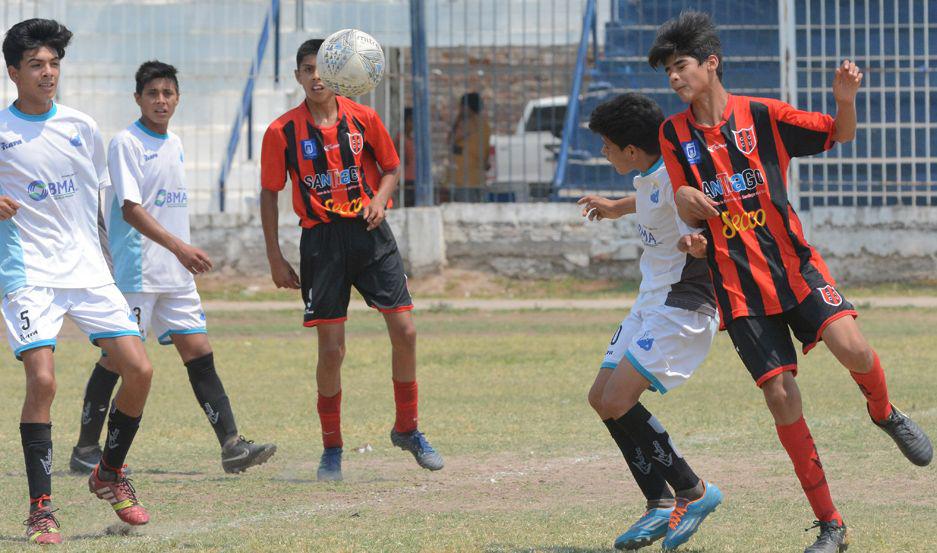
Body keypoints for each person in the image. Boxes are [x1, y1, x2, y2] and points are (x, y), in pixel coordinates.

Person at [650, 11, 933, 553]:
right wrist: (687, 213)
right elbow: (687, 206)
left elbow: (839, 133)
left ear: (711, 63)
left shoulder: (763, 115)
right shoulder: (673, 134)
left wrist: (844, 97)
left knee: (852, 346)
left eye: (680, 66)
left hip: (795, 269)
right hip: (736, 287)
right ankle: (831, 524)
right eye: (667, 71)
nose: (674, 78)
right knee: (781, 395)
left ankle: (884, 412)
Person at [68, 60, 276, 476]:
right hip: (137, 273)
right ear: (138, 98)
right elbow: (130, 210)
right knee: (116, 361)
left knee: (200, 355)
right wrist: (180, 247)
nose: (161, 100)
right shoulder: (126, 143)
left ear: (178, 98)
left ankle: (232, 446)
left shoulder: (175, 142)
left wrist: (179, 255)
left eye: (168, 93)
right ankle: (86, 449)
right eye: (152, 94)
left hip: (176, 275)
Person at [259, 38, 444, 481]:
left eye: (322, 68)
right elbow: (269, 193)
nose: (316, 77)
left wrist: (380, 198)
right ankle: (332, 449)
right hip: (320, 244)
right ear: (298, 76)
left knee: (405, 329)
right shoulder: (280, 131)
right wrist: (274, 256)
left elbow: (392, 166)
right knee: (332, 350)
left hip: (369, 235)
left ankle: (408, 428)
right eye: (307, 69)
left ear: (338, 72)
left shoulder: (364, 118)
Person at [0, 18, 153, 544]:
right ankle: (41, 509)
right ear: (13, 71)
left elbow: (99, 202)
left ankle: (109, 471)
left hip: (87, 271)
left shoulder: (81, 126)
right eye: (37, 65)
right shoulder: (0, 132)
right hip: (28, 274)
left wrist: (108, 268)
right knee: (43, 381)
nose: (48, 73)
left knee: (140, 370)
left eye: (54, 64)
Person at [579, 93, 722, 551]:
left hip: (683, 304)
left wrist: (698, 245)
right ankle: (658, 503)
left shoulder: (679, 183)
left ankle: (694, 491)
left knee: (619, 398)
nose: (604, 151)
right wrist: (614, 207)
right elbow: (648, 201)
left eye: (607, 144)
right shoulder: (652, 175)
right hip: (650, 301)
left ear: (632, 152)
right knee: (601, 398)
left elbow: (706, 225)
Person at [446, 92, 491, 202]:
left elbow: (450, 140)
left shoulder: (466, 124)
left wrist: (458, 118)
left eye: (461, 106)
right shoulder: (485, 125)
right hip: (478, 179)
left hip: (463, 179)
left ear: (466, 107)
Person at [398, 107, 416, 206]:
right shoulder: (400, 139)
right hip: (406, 181)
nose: (413, 124)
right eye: (411, 121)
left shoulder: (411, 138)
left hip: (413, 179)